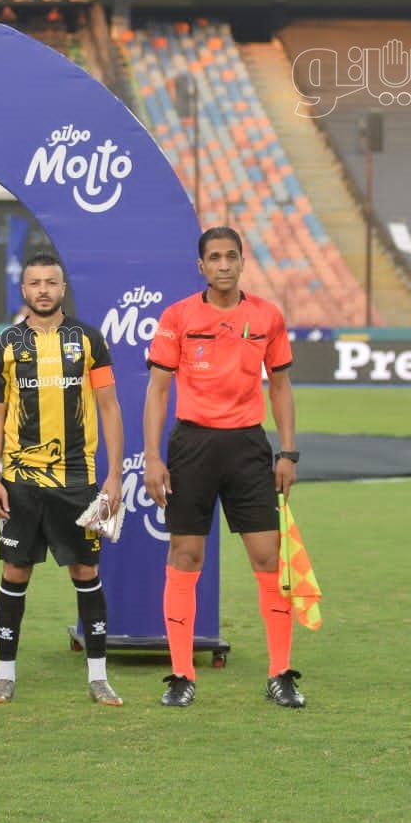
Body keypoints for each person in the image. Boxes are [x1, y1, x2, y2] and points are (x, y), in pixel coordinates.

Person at [143, 226, 304, 708]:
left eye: (231, 256)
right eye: (214, 257)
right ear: (201, 266)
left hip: (248, 447)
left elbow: (281, 387)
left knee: (268, 557)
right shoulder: (178, 316)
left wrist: (288, 453)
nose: (223, 265)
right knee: (186, 555)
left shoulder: (267, 316)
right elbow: (158, 390)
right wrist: (153, 457)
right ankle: (181, 675)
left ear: (242, 262)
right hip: (192, 445)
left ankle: (280, 674)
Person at [0, 252, 125, 706]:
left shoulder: (89, 340)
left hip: (77, 480)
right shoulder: (5, 345)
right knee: (14, 571)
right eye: (34, 283)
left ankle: (98, 678)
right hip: (19, 482)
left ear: (62, 288)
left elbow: (109, 407)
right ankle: (4, 676)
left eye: (50, 282)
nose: (42, 290)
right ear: (23, 290)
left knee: (86, 571)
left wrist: (114, 476)